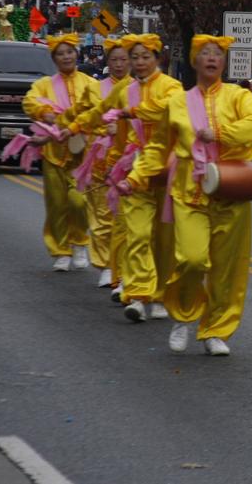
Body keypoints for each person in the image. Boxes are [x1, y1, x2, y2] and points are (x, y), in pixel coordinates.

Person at [118, 34, 252, 356]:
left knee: (227, 268)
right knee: (191, 259)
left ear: (223, 62)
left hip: (231, 188)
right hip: (189, 193)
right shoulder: (177, 103)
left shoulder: (238, 96)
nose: (212, 58)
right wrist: (136, 177)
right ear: (195, 61)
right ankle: (183, 315)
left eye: (218, 54)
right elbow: (159, 147)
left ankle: (215, 330)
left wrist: (222, 133)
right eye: (206, 53)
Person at [97, 34, 183, 322]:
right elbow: (120, 138)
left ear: (158, 59)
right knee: (137, 233)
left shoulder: (172, 88)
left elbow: (166, 111)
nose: (140, 63)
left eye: (146, 57)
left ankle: (160, 294)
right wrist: (112, 165)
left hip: (167, 169)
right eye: (135, 57)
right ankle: (137, 294)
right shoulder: (124, 91)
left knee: (164, 238)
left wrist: (129, 111)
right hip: (134, 171)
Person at [22, 33, 98, 271]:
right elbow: (29, 101)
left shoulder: (90, 83)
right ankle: (61, 250)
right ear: (54, 58)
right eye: (61, 54)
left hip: (82, 154)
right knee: (56, 204)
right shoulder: (44, 85)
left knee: (79, 201)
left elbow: (101, 107)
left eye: (69, 52)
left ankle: (79, 243)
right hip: (53, 152)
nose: (66, 57)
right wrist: (43, 112)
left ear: (77, 54)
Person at [64, 37, 132, 288]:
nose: (118, 64)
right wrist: (62, 127)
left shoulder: (138, 89)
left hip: (131, 161)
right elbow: (79, 114)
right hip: (100, 159)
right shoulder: (94, 89)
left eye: (124, 59)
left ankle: (125, 269)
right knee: (103, 214)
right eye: (114, 59)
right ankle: (105, 265)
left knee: (127, 219)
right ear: (107, 61)